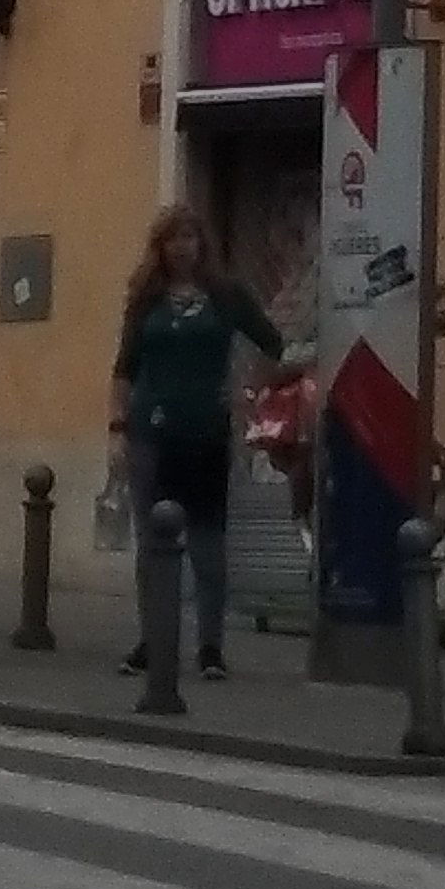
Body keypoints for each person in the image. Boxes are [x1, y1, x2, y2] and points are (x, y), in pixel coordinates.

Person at [109, 206, 280, 680]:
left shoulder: (225, 296)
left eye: (190, 237)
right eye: (172, 239)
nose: (182, 247)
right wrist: (117, 428)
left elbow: (272, 341)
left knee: (208, 543)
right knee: (152, 542)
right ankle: (153, 638)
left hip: (205, 429)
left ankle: (210, 648)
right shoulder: (146, 300)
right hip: (151, 430)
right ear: (159, 248)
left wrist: (248, 391)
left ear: (203, 244)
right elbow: (124, 367)